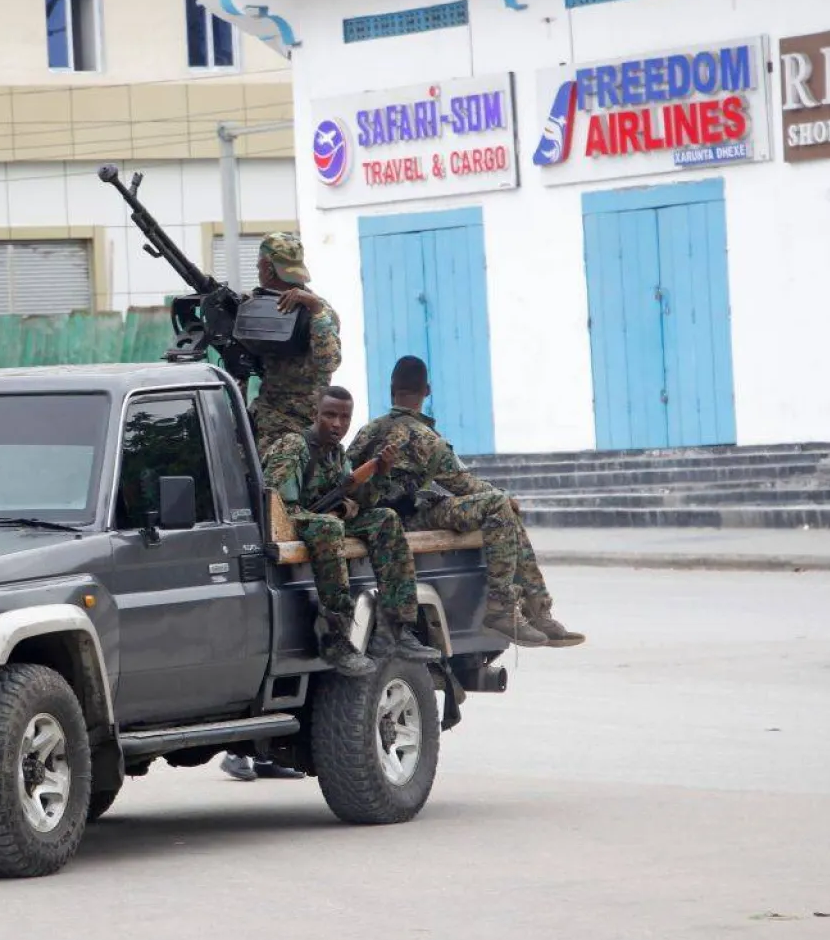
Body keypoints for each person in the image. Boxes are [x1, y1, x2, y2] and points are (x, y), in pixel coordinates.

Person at [347, 356, 584, 649]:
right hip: (407, 518)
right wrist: (505, 498)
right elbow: (464, 485)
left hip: (373, 517)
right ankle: (511, 607)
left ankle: (535, 609)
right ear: (427, 391)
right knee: (499, 505)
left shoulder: (366, 431)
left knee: (499, 505)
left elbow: (347, 475)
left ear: (391, 389)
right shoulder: (427, 439)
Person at [264, 385, 442, 677]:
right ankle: (335, 636)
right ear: (315, 414)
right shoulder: (293, 446)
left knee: (385, 518)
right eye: (330, 415)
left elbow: (361, 502)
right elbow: (278, 506)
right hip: (294, 522)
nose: (337, 424)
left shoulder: (337, 454)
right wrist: (331, 515)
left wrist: (378, 475)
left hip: (323, 521)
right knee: (328, 526)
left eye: (344, 418)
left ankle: (397, 627)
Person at [247, 233, 342, 454]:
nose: (258, 272)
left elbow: (330, 362)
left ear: (268, 269)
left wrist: (315, 310)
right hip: (265, 419)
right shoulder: (259, 305)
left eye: (259, 267)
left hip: (300, 430)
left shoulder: (318, 310)